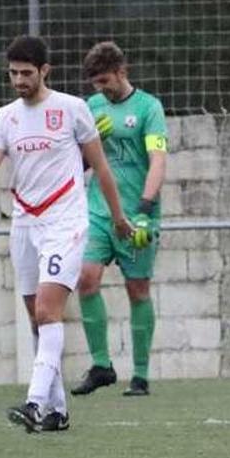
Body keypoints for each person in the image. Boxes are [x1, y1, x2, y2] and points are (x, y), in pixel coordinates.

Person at [0, 35, 132, 432]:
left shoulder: (72, 109)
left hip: (64, 223)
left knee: (49, 311)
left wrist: (118, 218)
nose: (19, 80)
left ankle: (34, 403)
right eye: (13, 73)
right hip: (24, 223)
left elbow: (100, 168)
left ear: (44, 71)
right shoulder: (5, 117)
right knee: (38, 319)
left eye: (26, 73)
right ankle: (57, 411)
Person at [70, 41, 168, 397]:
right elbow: (79, 165)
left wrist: (143, 209)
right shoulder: (91, 108)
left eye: (106, 81)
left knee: (137, 289)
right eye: (95, 83)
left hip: (138, 213)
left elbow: (158, 160)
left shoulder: (148, 108)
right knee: (86, 278)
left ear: (122, 73)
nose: (101, 89)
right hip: (98, 211)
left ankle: (140, 375)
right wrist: (90, 146)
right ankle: (101, 365)